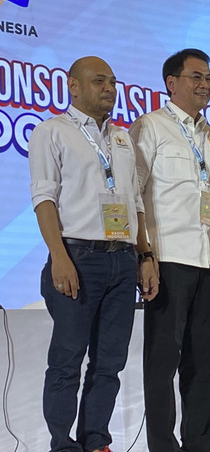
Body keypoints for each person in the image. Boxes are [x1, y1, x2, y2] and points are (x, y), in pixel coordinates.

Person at [28, 56, 158, 452]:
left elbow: (134, 200)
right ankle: (61, 443)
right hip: (77, 257)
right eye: (99, 81)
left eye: (113, 82)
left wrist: (145, 255)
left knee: (110, 363)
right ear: (73, 86)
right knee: (68, 361)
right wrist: (59, 257)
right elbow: (44, 199)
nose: (109, 89)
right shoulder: (52, 132)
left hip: (122, 260)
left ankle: (96, 439)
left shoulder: (122, 138)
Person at [129, 48, 210, 452]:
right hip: (167, 260)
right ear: (172, 83)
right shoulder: (149, 127)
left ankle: (200, 444)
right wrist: (144, 255)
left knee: (204, 362)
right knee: (162, 363)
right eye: (196, 77)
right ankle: (162, 446)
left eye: (208, 77)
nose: (204, 84)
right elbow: (135, 194)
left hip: (206, 262)